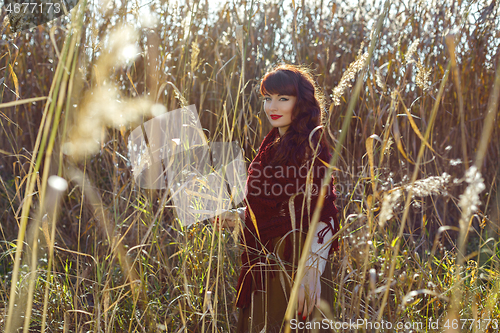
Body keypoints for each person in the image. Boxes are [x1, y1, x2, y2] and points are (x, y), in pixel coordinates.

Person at [211, 64, 340, 332]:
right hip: (266, 261)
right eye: (267, 98)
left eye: (283, 98)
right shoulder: (269, 148)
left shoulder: (311, 146)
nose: (273, 106)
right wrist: (235, 218)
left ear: (300, 102)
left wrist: (311, 273)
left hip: (298, 260)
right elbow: (274, 211)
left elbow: (324, 215)